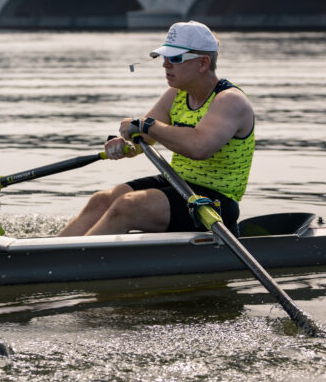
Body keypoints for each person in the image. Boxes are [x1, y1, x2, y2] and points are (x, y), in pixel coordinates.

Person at [58, 20, 255, 236]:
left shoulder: (230, 101)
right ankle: (47, 255)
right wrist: (123, 144)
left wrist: (146, 126)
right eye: (164, 57)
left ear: (203, 63)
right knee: (102, 200)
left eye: (175, 58)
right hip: (177, 182)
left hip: (215, 202)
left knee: (127, 206)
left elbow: (199, 147)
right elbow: (141, 139)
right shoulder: (175, 95)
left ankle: (73, 263)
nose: (165, 65)